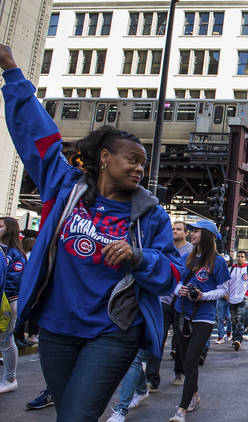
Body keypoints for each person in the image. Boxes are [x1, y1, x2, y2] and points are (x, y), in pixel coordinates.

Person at [1, 45, 184, 420]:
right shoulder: (64, 188)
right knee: (67, 413)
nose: (139, 169)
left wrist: (138, 256)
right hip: (56, 328)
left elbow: (173, 274)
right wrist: (11, 74)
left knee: (76, 416)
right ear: (104, 157)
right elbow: (36, 135)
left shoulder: (150, 216)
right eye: (131, 159)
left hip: (112, 332)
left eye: (142, 164)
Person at [169, 220, 230, 422]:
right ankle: (193, 394)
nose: (191, 233)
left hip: (204, 317)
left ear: (206, 235)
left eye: (195, 231)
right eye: (192, 230)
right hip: (182, 312)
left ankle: (182, 409)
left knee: (190, 360)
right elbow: (176, 283)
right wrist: (181, 290)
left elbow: (224, 290)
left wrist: (204, 295)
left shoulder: (218, 261)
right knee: (186, 360)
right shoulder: (187, 257)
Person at [146, 220, 193, 391]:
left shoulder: (191, 251)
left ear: (186, 233)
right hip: (163, 299)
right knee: (157, 338)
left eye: (179, 229)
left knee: (181, 339)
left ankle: (180, 372)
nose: (175, 231)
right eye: (173, 229)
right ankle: (152, 379)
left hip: (182, 301)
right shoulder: (164, 247)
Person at [0, 217, 25, 393]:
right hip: (5, 301)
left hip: (9, 302)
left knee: (6, 341)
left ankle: (10, 378)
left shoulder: (15, 254)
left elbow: (13, 280)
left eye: (0, 225)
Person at [227, 250, 248, 351]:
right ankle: (234, 338)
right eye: (239, 256)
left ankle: (238, 339)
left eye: (242, 256)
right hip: (231, 298)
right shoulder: (230, 270)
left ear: (245, 258)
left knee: (240, 317)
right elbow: (226, 283)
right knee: (233, 320)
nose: (240, 258)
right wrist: (226, 294)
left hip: (243, 298)